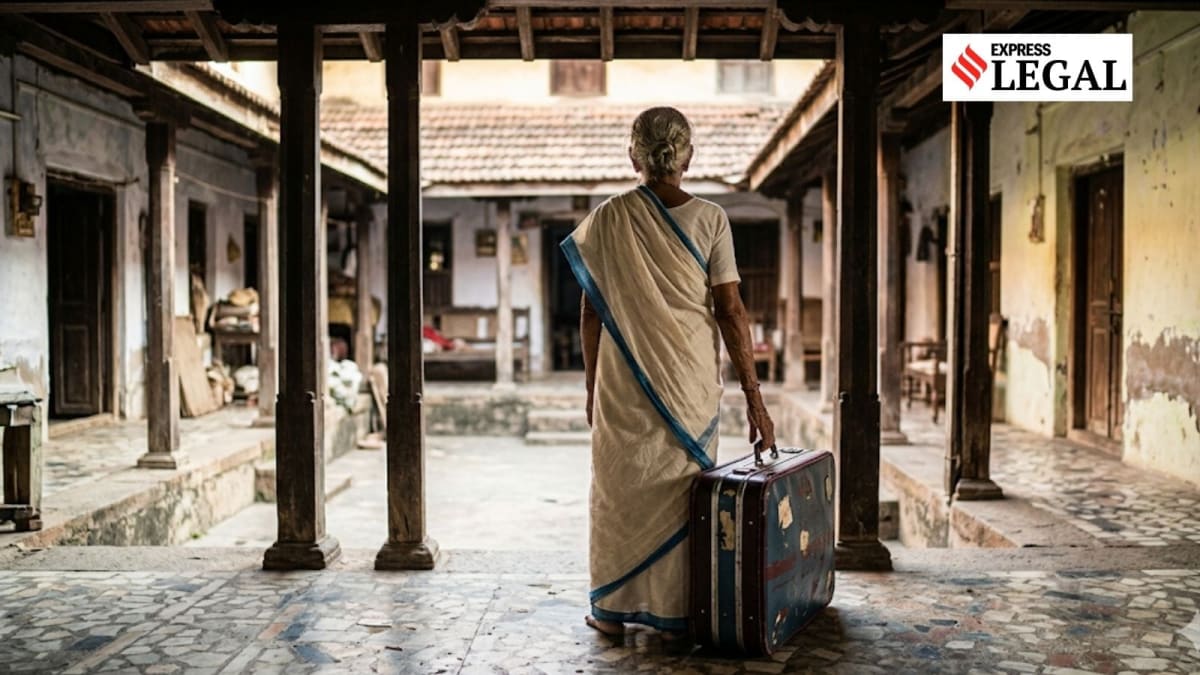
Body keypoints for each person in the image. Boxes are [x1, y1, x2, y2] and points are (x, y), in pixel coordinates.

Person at [560, 106, 777, 638]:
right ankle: (681, 610)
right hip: (688, 381)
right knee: (683, 491)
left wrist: (592, 385)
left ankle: (611, 612)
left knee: (619, 487)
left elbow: (591, 310)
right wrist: (756, 399)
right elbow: (730, 310)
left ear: (632, 156)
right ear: (689, 157)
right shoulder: (710, 219)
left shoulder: (608, 217)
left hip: (621, 380)